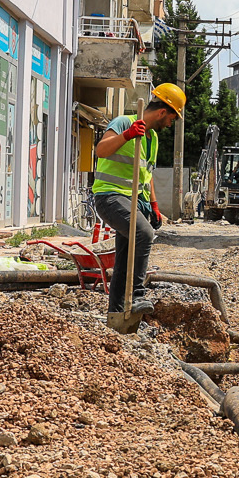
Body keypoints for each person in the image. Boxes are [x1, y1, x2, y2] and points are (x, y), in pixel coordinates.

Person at [90, 83, 185, 315]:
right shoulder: (124, 122)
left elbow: (147, 174)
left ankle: (117, 314)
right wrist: (128, 134)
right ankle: (137, 295)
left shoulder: (151, 137)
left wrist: (153, 205)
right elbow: (100, 150)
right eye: (172, 117)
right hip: (110, 196)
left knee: (125, 259)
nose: (171, 123)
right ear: (162, 112)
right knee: (143, 234)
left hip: (133, 201)